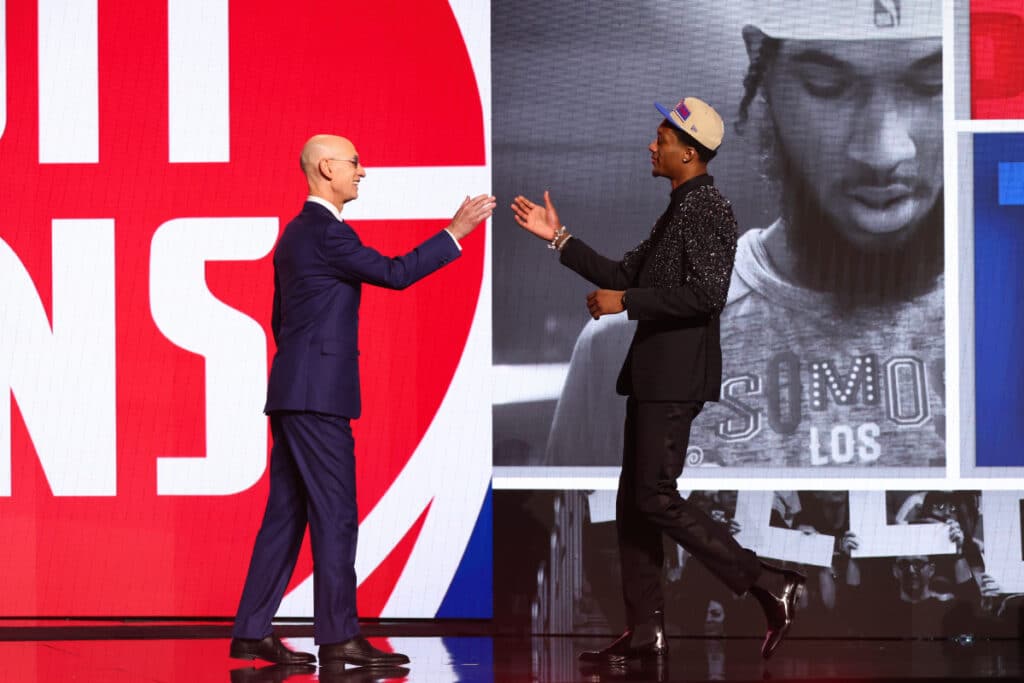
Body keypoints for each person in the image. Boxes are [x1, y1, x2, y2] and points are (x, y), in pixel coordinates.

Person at [545, 0, 945, 470]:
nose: (883, 151)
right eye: (827, 86)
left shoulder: (1005, 323)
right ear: (763, 72)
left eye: (931, 86)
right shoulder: (626, 343)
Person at [511, 97, 805, 662]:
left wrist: (628, 301)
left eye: (662, 139)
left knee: (654, 496)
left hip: (676, 377)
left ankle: (770, 583)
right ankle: (646, 634)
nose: (653, 146)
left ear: (688, 151)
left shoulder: (708, 209)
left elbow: (705, 296)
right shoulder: (678, 210)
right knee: (635, 503)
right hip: (653, 376)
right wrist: (558, 238)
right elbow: (622, 272)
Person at [229, 134, 495, 667]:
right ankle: (338, 637)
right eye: (354, 163)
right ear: (327, 167)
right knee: (336, 514)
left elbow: (284, 320)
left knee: (287, 514)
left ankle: (252, 630)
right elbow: (396, 274)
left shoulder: (296, 235)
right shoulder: (326, 234)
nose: (363, 172)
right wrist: (455, 232)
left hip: (295, 392)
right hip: (317, 398)